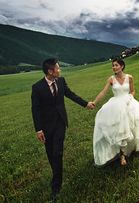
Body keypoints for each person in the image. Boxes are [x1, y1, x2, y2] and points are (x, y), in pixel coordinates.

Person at [31, 58, 94, 198]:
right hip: (46, 127)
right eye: (58, 68)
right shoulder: (37, 87)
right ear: (50, 71)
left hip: (60, 123)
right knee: (50, 154)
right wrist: (39, 130)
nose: (60, 70)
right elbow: (35, 110)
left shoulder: (61, 81)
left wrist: (86, 104)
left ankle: (56, 187)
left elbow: (71, 95)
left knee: (57, 153)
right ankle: (57, 172)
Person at [92, 58, 139, 167]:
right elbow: (103, 92)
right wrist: (94, 102)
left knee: (132, 126)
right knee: (119, 130)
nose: (114, 67)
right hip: (116, 105)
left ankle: (132, 147)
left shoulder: (129, 77)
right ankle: (122, 155)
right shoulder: (111, 79)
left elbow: (132, 91)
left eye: (116, 65)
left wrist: (130, 98)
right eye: (113, 65)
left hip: (128, 103)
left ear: (122, 66)